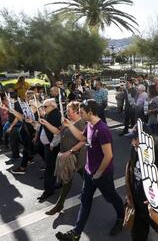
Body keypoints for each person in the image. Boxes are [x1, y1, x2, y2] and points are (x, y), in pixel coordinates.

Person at [55, 99, 124, 241]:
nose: (80, 115)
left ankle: (121, 216)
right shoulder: (90, 124)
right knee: (85, 201)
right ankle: (76, 233)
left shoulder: (102, 129)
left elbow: (108, 155)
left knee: (110, 197)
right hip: (89, 171)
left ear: (90, 113)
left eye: (81, 113)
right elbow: (82, 137)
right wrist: (69, 125)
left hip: (102, 174)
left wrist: (98, 173)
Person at [125, 132, 158, 241]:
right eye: (132, 139)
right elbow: (130, 171)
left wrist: (152, 175)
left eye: (135, 139)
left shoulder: (157, 155)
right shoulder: (134, 149)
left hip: (156, 208)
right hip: (137, 205)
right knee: (137, 237)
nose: (132, 142)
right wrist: (129, 194)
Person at [44, 101, 86, 215]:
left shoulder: (81, 123)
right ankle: (60, 204)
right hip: (67, 156)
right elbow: (57, 131)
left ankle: (59, 205)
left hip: (76, 157)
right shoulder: (68, 121)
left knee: (72, 179)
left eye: (68, 111)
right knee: (71, 180)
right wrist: (45, 123)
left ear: (77, 112)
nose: (66, 113)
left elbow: (84, 140)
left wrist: (70, 152)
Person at [37, 99, 62, 201]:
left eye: (45, 107)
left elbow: (57, 131)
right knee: (52, 166)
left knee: (49, 168)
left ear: (52, 106)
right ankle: (57, 182)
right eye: (43, 106)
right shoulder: (50, 113)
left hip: (52, 145)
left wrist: (52, 144)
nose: (43, 109)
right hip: (47, 144)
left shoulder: (56, 114)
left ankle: (48, 190)